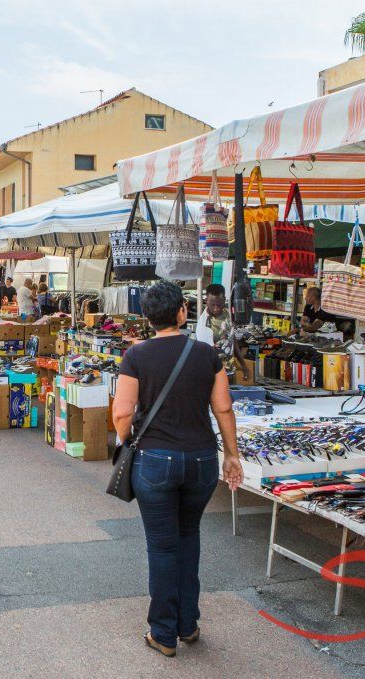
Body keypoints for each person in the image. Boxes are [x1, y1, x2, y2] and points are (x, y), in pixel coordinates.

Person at [110, 281, 242, 658]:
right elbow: (224, 409)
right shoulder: (206, 354)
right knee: (189, 538)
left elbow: (122, 412)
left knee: (163, 547)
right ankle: (188, 623)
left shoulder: (136, 356)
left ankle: (164, 633)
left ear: (147, 318)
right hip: (201, 460)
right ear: (183, 312)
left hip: (154, 462)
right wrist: (231, 455)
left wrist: (127, 440)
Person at [194, 284, 230, 348]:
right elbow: (206, 352)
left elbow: (232, 335)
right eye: (212, 305)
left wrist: (240, 358)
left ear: (224, 300)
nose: (216, 309)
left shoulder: (228, 312)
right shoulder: (204, 326)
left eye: (219, 305)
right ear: (206, 301)